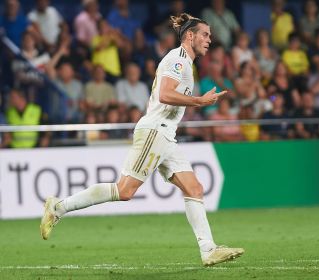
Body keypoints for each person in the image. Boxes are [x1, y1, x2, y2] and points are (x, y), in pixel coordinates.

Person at [40, 13, 244, 266]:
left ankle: (208, 250)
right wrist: (198, 101)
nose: (209, 40)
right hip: (155, 131)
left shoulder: (184, 62)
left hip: (166, 135)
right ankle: (58, 207)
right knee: (124, 191)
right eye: (205, 34)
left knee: (194, 188)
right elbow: (166, 94)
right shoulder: (178, 59)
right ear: (189, 36)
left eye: (210, 35)